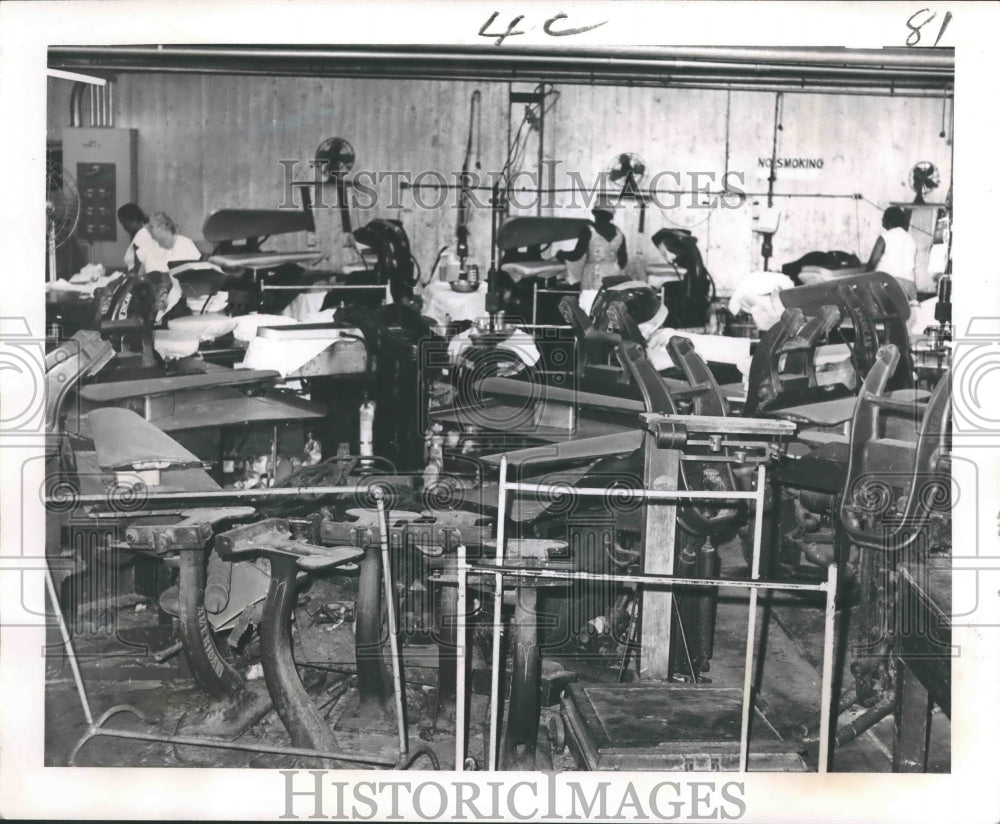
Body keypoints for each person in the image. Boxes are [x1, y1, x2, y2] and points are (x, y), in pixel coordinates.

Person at [556, 195, 628, 312]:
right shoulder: (619, 233)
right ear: (611, 216)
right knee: (608, 313)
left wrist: (562, 255)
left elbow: (577, 255)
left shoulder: (588, 230)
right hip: (613, 280)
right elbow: (623, 260)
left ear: (595, 214)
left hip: (592, 278)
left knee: (589, 311)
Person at [140, 212, 202, 321]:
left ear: (163, 227)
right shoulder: (148, 248)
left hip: (182, 299)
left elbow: (197, 276)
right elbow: (140, 276)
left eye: (151, 227)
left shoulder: (185, 244)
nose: (148, 230)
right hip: (153, 298)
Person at [866, 206, 917, 302]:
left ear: (889, 220)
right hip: (909, 287)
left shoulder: (885, 237)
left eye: (883, 218)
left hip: (889, 284)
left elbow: (872, 263)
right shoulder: (910, 238)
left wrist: (862, 279)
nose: (882, 220)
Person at [117, 203, 155, 275]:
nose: (123, 227)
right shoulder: (140, 234)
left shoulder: (142, 235)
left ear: (133, 219)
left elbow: (137, 270)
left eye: (124, 222)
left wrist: (119, 280)